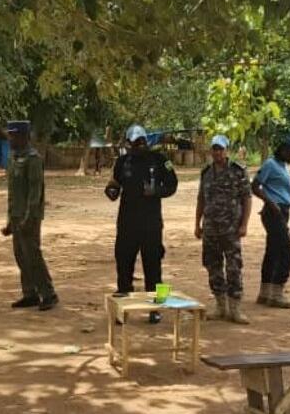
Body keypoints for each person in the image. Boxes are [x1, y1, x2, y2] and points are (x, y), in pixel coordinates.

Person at [106, 124, 178, 322]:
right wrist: (111, 191)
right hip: (127, 223)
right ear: (128, 143)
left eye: (142, 141)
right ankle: (123, 309)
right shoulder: (122, 162)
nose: (139, 145)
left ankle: (157, 308)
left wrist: (156, 192)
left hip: (151, 224)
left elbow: (172, 185)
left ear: (146, 141)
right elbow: (114, 184)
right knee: (124, 266)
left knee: (154, 268)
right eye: (135, 142)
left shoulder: (160, 160)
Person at [195, 134, 252, 324]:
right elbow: (201, 199)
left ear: (227, 150)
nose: (217, 152)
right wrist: (197, 223)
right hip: (210, 228)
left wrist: (244, 224)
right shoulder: (206, 173)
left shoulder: (237, 171)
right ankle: (220, 306)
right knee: (213, 266)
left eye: (220, 149)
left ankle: (235, 308)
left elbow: (247, 198)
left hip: (231, 228)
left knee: (234, 266)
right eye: (214, 149)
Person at [1, 120, 58, 311]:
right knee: (20, 256)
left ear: (25, 136)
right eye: (9, 134)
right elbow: (12, 193)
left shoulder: (33, 159)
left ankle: (48, 293)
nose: (10, 138)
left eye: (14, 135)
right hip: (17, 215)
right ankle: (30, 293)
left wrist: (28, 218)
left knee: (33, 255)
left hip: (30, 217)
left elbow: (35, 193)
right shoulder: (12, 158)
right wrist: (10, 220)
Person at [252, 134, 290, 308]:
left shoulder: (283, 167)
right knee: (287, 252)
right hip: (274, 211)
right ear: (282, 149)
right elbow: (255, 186)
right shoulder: (270, 164)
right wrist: (270, 202)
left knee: (272, 251)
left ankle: (265, 293)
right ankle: (277, 292)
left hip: (284, 210)